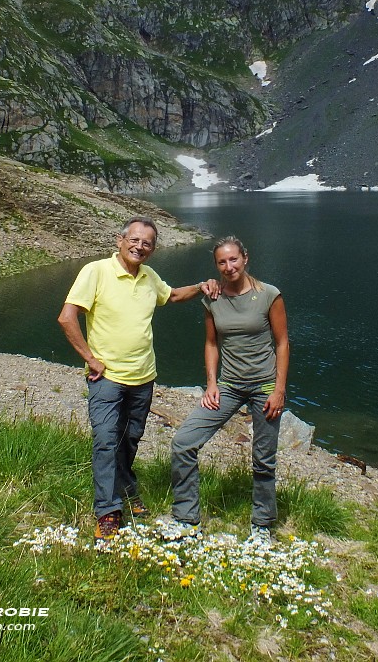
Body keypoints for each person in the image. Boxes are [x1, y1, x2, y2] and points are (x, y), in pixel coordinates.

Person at [57, 216, 219, 542]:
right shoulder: (96, 271)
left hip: (144, 377)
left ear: (153, 249)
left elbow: (170, 296)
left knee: (129, 439)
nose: (139, 246)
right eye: (134, 239)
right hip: (107, 378)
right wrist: (90, 358)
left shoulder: (148, 277)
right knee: (105, 440)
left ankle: (127, 489)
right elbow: (67, 317)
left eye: (147, 243)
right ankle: (108, 511)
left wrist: (200, 287)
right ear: (120, 240)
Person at [170, 235, 289, 543]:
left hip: (264, 386)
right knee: (184, 442)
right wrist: (211, 384)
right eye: (221, 262)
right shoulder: (212, 298)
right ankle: (187, 520)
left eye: (233, 259)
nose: (228, 266)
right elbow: (211, 343)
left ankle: (262, 525)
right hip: (229, 386)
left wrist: (279, 390)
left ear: (245, 258)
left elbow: (282, 343)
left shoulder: (269, 295)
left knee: (263, 458)